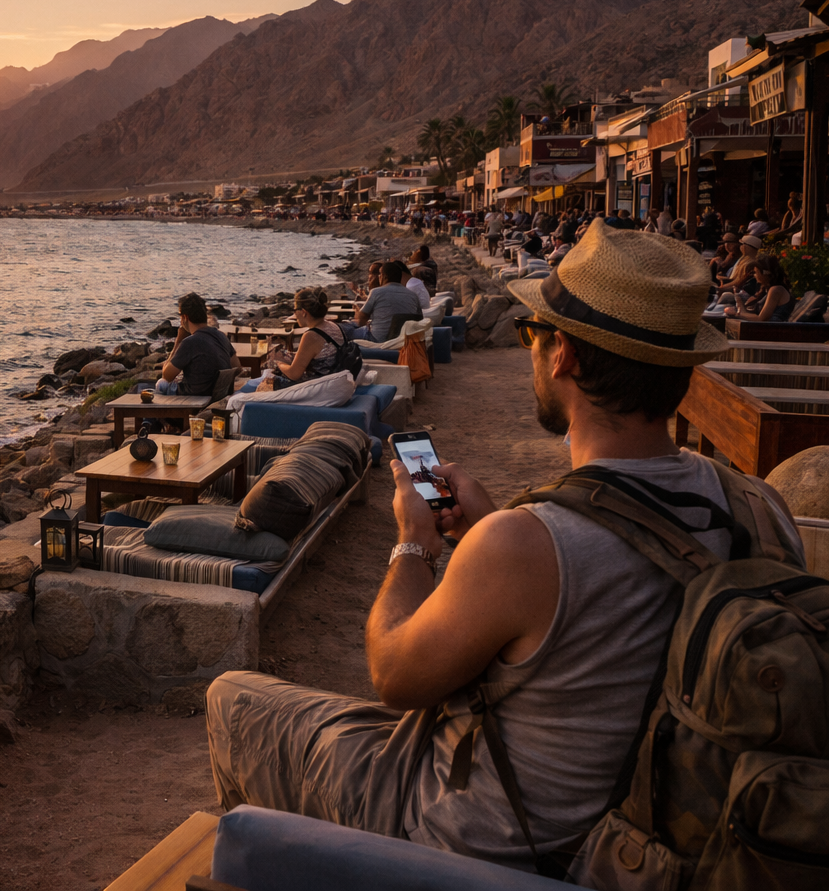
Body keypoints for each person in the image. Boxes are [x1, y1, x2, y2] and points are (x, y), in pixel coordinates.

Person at [205, 221, 803, 873]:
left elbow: (394, 672)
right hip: (665, 843)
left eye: (532, 332)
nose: (529, 349)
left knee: (233, 702)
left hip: (491, 845)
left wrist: (414, 543)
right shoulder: (760, 507)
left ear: (564, 355)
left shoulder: (530, 545)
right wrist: (487, 532)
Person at [261, 288, 351, 390]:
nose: (294, 315)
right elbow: (318, 355)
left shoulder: (311, 335)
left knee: (267, 376)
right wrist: (287, 356)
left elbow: (294, 374)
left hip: (320, 388)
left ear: (303, 312)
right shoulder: (333, 326)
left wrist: (278, 363)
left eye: (295, 310)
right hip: (335, 381)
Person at [156, 292, 235, 396]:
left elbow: (167, 376)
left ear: (185, 317)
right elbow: (236, 366)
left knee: (161, 384)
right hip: (218, 393)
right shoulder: (221, 336)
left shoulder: (190, 342)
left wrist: (179, 341)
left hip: (194, 395)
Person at [351, 261, 420, 341]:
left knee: (348, 331)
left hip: (378, 339)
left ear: (384, 276)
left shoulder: (376, 292)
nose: (379, 277)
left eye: (380, 274)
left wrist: (359, 315)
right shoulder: (413, 295)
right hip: (404, 340)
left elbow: (361, 319)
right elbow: (418, 319)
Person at [725, 254, 793, 322]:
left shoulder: (776, 290)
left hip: (774, 330)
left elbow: (761, 319)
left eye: (755, 272)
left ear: (765, 273)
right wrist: (739, 303)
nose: (754, 276)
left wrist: (737, 314)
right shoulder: (768, 289)